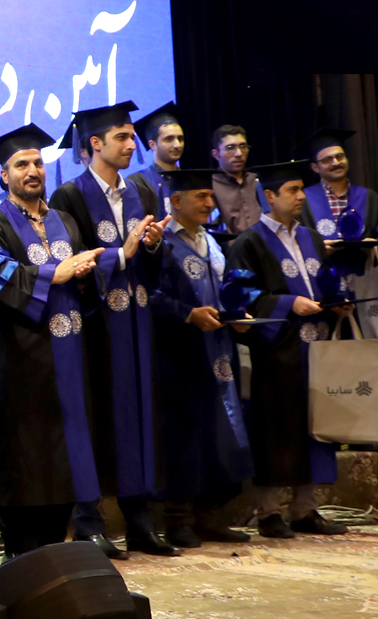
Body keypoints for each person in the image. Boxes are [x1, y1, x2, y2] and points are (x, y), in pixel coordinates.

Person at [0, 124, 105, 557]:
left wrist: (85, 275)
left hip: (70, 353)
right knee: (27, 448)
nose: (33, 171)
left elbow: (83, 275)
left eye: (38, 163)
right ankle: (22, 547)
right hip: (23, 353)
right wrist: (54, 274)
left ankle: (57, 541)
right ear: (4, 175)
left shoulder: (64, 220)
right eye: (21, 165)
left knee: (68, 446)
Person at [49, 102, 175, 558]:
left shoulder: (141, 191)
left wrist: (154, 247)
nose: (130, 144)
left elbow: (155, 265)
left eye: (131, 136)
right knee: (96, 419)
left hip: (138, 326)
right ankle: (89, 523)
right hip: (95, 328)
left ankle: (140, 521)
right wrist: (121, 254)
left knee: (139, 416)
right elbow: (72, 260)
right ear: (94, 143)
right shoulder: (70, 196)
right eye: (121, 137)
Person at [225, 160, 353, 538]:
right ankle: (268, 512)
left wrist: (337, 301)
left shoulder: (310, 237)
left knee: (315, 427)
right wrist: (287, 303)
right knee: (275, 430)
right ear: (269, 196)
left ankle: (305, 508)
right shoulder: (249, 242)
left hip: (317, 350)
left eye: (301, 189)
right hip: (277, 351)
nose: (301, 197)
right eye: (293, 191)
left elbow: (326, 282)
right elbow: (238, 298)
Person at [147, 169, 255, 548]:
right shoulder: (162, 245)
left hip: (220, 350)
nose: (210, 203)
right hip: (180, 354)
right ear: (176, 201)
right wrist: (188, 315)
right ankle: (178, 520)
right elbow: (150, 297)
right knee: (185, 435)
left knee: (221, 431)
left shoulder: (212, 242)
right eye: (202, 197)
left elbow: (227, 290)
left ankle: (211, 515)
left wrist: (238, 314)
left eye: (211, 196)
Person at [293, 127, 378, 335]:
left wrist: (372, 245)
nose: (336, 163)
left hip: (365, 288)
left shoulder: (368, 197)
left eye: (340, 156)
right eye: (327, 160)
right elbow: (295, 242)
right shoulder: (304, 200)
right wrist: (317, 248)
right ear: (315, 167)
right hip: (322, 290)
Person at [209, 125, 267, 237]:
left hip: (265, 244)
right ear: (216, 154)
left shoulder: (258, 181)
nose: (239, 154)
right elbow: (214, 230)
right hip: (230, 246)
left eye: (243, 146)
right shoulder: (210, 186)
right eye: (230, 148)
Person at [128, 102, 182, 219]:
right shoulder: (137, 182)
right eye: (169, 139)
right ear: (152, 145)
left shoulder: (190, 180)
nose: (177, 145)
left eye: (180, 139)